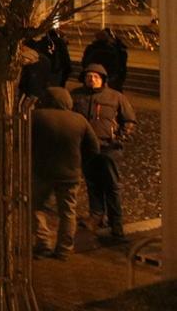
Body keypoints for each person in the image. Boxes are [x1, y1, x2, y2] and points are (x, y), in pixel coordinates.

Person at [71, 63, 137, 241]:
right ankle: (96, 216)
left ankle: (116, 223)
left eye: (96, 77)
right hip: (86, 148)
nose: (91, 79)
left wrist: (119, 139)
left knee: (112, 186)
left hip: (109, 148)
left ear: (103, 79)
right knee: (92, 183)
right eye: (88, 76)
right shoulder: (77, 96)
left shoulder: (116, 97)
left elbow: (129, 120)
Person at [32, 87, 99, 259]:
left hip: (42, 171)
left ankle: (43, 243)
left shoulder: (36, 116)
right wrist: (80, 163)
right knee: (68, 212)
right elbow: (94, 148)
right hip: (70, 173)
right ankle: (64, 249)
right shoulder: (80, 120)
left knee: (36, 207)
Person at [81, 28, 129, 93]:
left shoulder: (92, 48)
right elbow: (118, 65)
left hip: (100, 75)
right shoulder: (112, 49)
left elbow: (85, 62)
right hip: (109, 77)